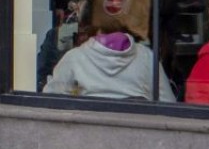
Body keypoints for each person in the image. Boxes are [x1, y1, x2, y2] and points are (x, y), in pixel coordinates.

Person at [42, 13, 175, 102]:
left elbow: (51, 101)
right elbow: (168, 103)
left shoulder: (74, 57)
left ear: (91, 30)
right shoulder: (146, 57)